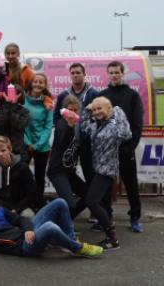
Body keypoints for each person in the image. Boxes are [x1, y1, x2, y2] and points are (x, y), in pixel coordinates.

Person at [0, 187, 103, 258]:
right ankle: (78, 248)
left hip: (27, 234)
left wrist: (28, 229)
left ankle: (69, 241)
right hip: (22, 246)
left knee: (60, 202)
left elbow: (20, 219)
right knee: (50, 227)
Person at [99, 61, 144, 233]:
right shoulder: (103, 95)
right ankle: (106, 216)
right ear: (107, 74)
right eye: (111, 72)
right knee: (105, 186)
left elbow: (137, 124)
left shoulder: (132, 95)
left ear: (122, 74)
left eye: (117, 72)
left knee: (131, 184)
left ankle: (134, 217)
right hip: (107, 150)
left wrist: (131, 145)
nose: (114, 75)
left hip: (125, 149)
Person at [81, 96, 132, 250]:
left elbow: (126, 134)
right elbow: (84, 127)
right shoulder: (97, 125)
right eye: (95, 109)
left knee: (92, 201)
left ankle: (113, 239)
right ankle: (110, 236)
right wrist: (86, 110)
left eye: (100, 109)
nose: (96, 112)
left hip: (107, 170)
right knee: (99, 202)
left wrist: (118, 111)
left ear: (109, 109)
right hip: (98, 168)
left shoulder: (114, 125)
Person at [53, 63, 99, 186]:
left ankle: (94, 203)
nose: (75, 75)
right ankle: (71, 203)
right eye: (72, 73)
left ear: (84, 74)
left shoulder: (93, 94)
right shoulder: (63, 95)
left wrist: (89, 134)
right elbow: (56, 117)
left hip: (87, 144)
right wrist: (63, 131)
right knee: (68, 174)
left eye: (78, 72)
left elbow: (99, 117)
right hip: (69, 144)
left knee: (90, 174)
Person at [47, 95, 87, 218]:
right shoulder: (62, 124)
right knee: (69, 204)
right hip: (57, 171)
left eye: (75, 110)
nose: (73, 113)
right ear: (65, 110)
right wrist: (69, 126)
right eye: (70, 110)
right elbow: (62, 141)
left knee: (89, 196)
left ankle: (65, 220)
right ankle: (64, 223)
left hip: (69, 172)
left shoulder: (78, 126)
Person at [0, 136, 37, 214]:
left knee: (27, 216)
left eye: (3, 150)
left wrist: (16, 209)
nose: (0, 154)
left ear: (10, 150)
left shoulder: (22, 168)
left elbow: (32, 194)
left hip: (21, 204)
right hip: (0, 202)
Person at [23, 73, 53, 210]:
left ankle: (39, 205)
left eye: (41, 82)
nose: (38, 84)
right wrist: (27, 142)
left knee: (40, 177)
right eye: (36, 81)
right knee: (23, 175)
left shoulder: (48, 103)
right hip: (26, 144)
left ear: (44, 85)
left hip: (42, 147)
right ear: (31, 83)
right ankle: (25, 203)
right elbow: (20, 124)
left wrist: (38, 144)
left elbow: (48, 126)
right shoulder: (23, 100)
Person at [0, 84, 29, 159]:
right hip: (1, 148)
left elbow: (19, 125)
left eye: (14, 93)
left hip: (17, 149)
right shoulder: (0, 109)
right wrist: (7, 105)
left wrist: (13, 106)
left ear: (20, 95)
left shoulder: (24, 111)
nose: (12, 96)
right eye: (9, 93)